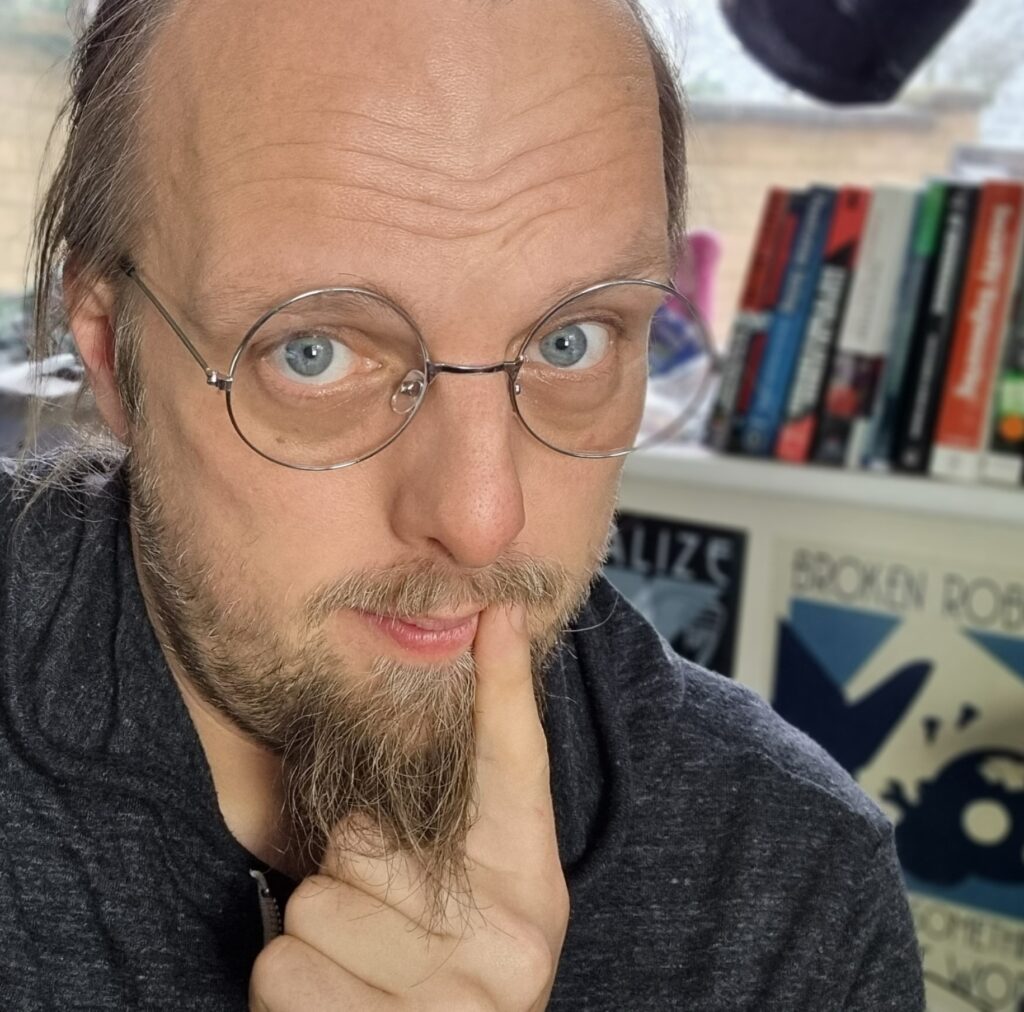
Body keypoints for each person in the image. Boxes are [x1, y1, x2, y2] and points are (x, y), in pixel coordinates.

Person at [0, 0, 924, 1008]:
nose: (483, 519)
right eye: (313, 353)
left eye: (572, 339)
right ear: (111, 352)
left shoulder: (792, 884)